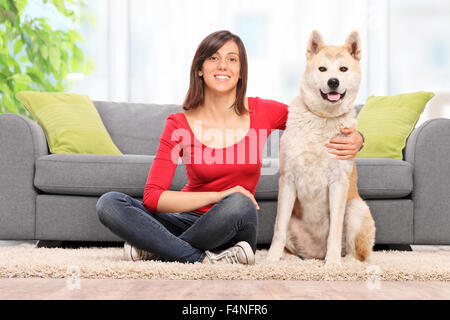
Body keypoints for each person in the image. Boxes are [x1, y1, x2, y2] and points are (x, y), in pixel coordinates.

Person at [96, 30, 364, 265]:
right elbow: (153, 197)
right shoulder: (178, 123)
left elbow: (318, 113)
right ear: (199, 68)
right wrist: (215, 196)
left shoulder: (263, 111)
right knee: (109, 203)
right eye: (213, 58)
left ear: (240, 72)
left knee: (238, 202)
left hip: (235, 222)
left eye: (232, 59)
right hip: (189, 219)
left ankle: (158, 247)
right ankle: (195, 256)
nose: (223, 65)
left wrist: (359, 138)